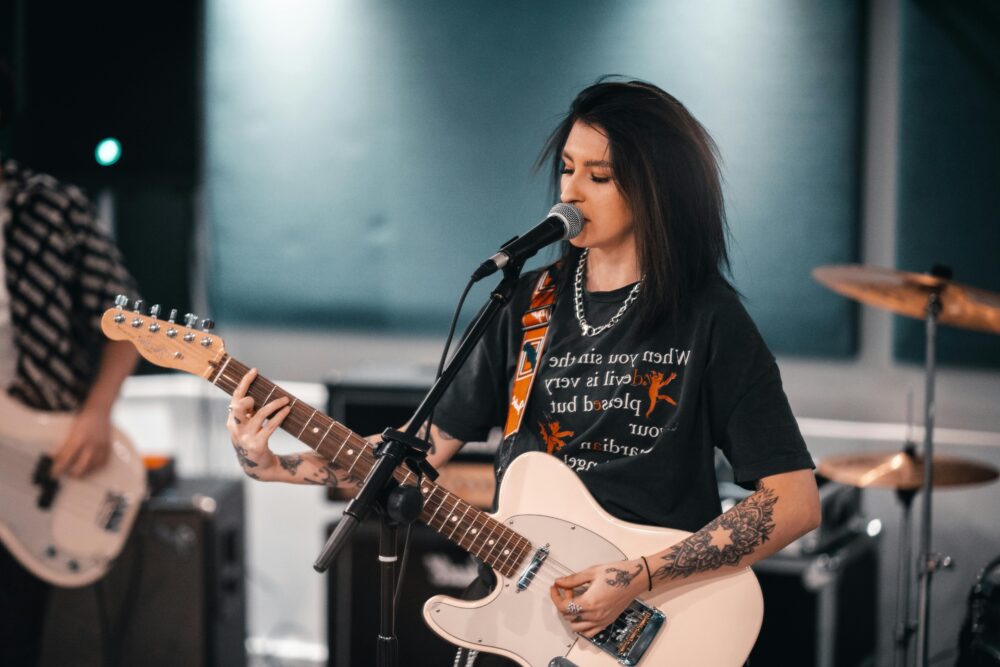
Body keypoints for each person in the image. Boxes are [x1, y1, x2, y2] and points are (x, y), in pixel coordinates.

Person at [224, 78, 821, 665]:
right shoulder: (528, 302)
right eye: (566, 168)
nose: (571, 192)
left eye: (600, 176)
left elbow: (793, 503)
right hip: (532, 617)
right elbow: (419, 452)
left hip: (657, 616)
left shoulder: (709, 318)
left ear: (658, 190)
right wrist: (279, 465)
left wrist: (638, 576)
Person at [0, 61, 140, 666]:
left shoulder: (49, 207)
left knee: (15, 641)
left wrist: (96, 413)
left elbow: (128, 322)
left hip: (39, 465)